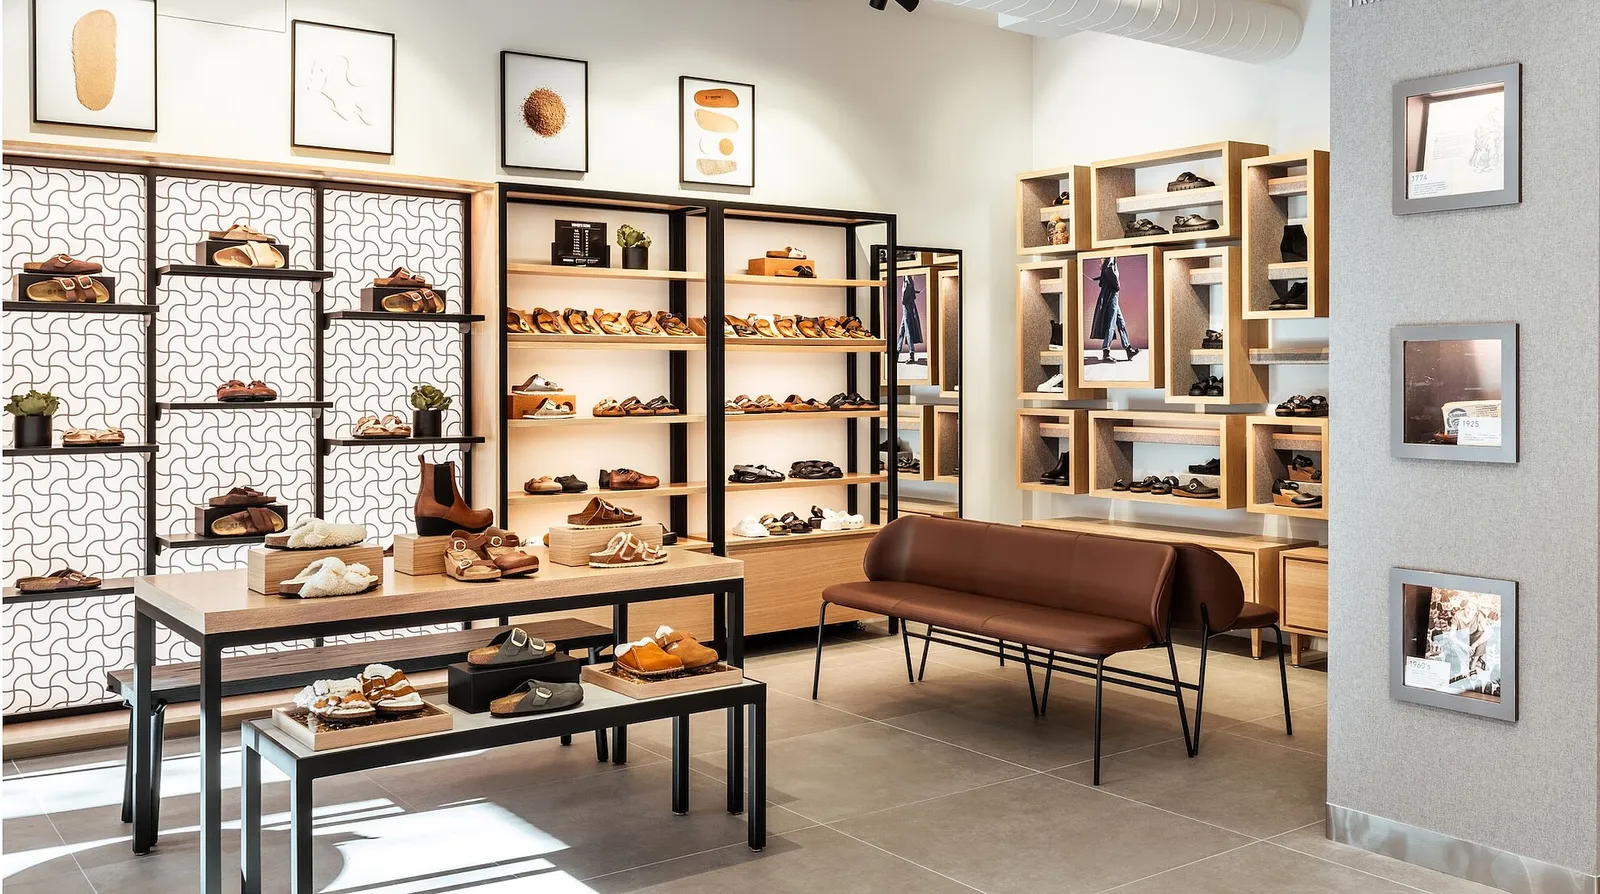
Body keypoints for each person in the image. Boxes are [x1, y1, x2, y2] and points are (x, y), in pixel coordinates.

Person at [1088, 256, 1138, 363]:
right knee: (1111, 322)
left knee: (1120, 322)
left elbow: (1106, 271)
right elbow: (1109, 269)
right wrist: (1117, 285)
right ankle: (1106, 352)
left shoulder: (1107, 258)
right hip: (1112, 292)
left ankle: (1128, 349)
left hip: (1110, 292)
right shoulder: (1110, 256)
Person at [896, 274, 924, 364]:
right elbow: (909, 287)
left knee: (908, 331)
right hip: (908, 304)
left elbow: (908, 287)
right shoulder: (909, 277)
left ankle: (911, 355)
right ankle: (896, 353)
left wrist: (904, 301)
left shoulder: (907, 276)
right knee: (902, 331)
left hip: (907, 305)